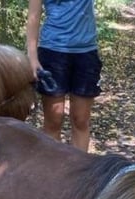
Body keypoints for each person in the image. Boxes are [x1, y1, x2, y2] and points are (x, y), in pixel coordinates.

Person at [26, 0, 102, 152]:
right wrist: (32, 58)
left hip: (86, 54)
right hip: (52, 51)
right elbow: (33, 16)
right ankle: (54, 172)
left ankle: (79, 171)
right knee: (53, 120)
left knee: (81, 120)